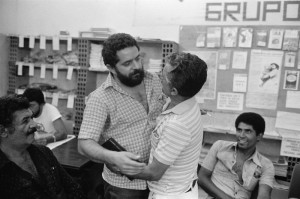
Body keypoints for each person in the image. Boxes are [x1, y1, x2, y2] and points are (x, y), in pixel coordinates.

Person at [77, 33, 165, 199]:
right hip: (124, 187)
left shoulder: (154, 80)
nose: (137, 66)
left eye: (138, 58)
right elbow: (84, 144)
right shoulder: (100, 98)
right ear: (111, 67)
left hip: (159, 180)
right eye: (127, 63)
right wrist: (113, 157)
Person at [127, 52, 208, 199]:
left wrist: (117, 164)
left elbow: (154, 173)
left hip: (169, 194)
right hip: (182, 186)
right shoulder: (186, 100)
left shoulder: (176, 125)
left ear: (174, 91)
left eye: (162, 76)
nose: (158, 76)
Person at [0, 94, 86, 199]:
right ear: (3, 131)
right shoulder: (3, 171)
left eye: (32, 118)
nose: (35, 125)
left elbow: (73, 187)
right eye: (25, 121)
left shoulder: (43, 152)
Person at [198, 112, 275, 199]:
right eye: (239, 130)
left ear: (259, 136)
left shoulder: (266, 165)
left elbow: (264, 195)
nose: (241, 136)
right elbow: (202, 178)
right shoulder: (219, 146)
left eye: (248, 131)